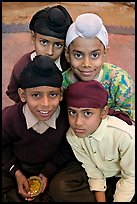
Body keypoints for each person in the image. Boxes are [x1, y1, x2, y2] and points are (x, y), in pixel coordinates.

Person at [2, 55, 75, 202]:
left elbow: (67, 148)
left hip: (51, 168)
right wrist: (16, 172)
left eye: (53, 94)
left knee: (62, 189)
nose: (46, 104)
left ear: (61, 94)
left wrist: (47, 173)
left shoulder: (67, 118)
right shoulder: (8, 119)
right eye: (36, 95)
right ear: (23, 95)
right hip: (16, 165)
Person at [65, 80, 135, 202]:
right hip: (104, 174)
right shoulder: (72, 135)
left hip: (128, 176)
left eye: (87, 113)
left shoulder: (124, 135)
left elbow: (131, 177)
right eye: (72, 112)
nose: (78, 122)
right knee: (60, 187)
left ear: (103, 112)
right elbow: (92, 169)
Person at [62, 13, 135, 122]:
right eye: (78, 55)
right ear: (67, 55)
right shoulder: (61, 84)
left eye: (94, 55)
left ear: (105, 54)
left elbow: (130, 120)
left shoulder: (120, 82)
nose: (86, 64)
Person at [6, 4, 73, 103]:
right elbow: (12, 92)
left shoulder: (68, 64)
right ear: (33, 37)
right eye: (44, 42)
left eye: (58, 45)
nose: (50, 52)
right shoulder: (22, 67)